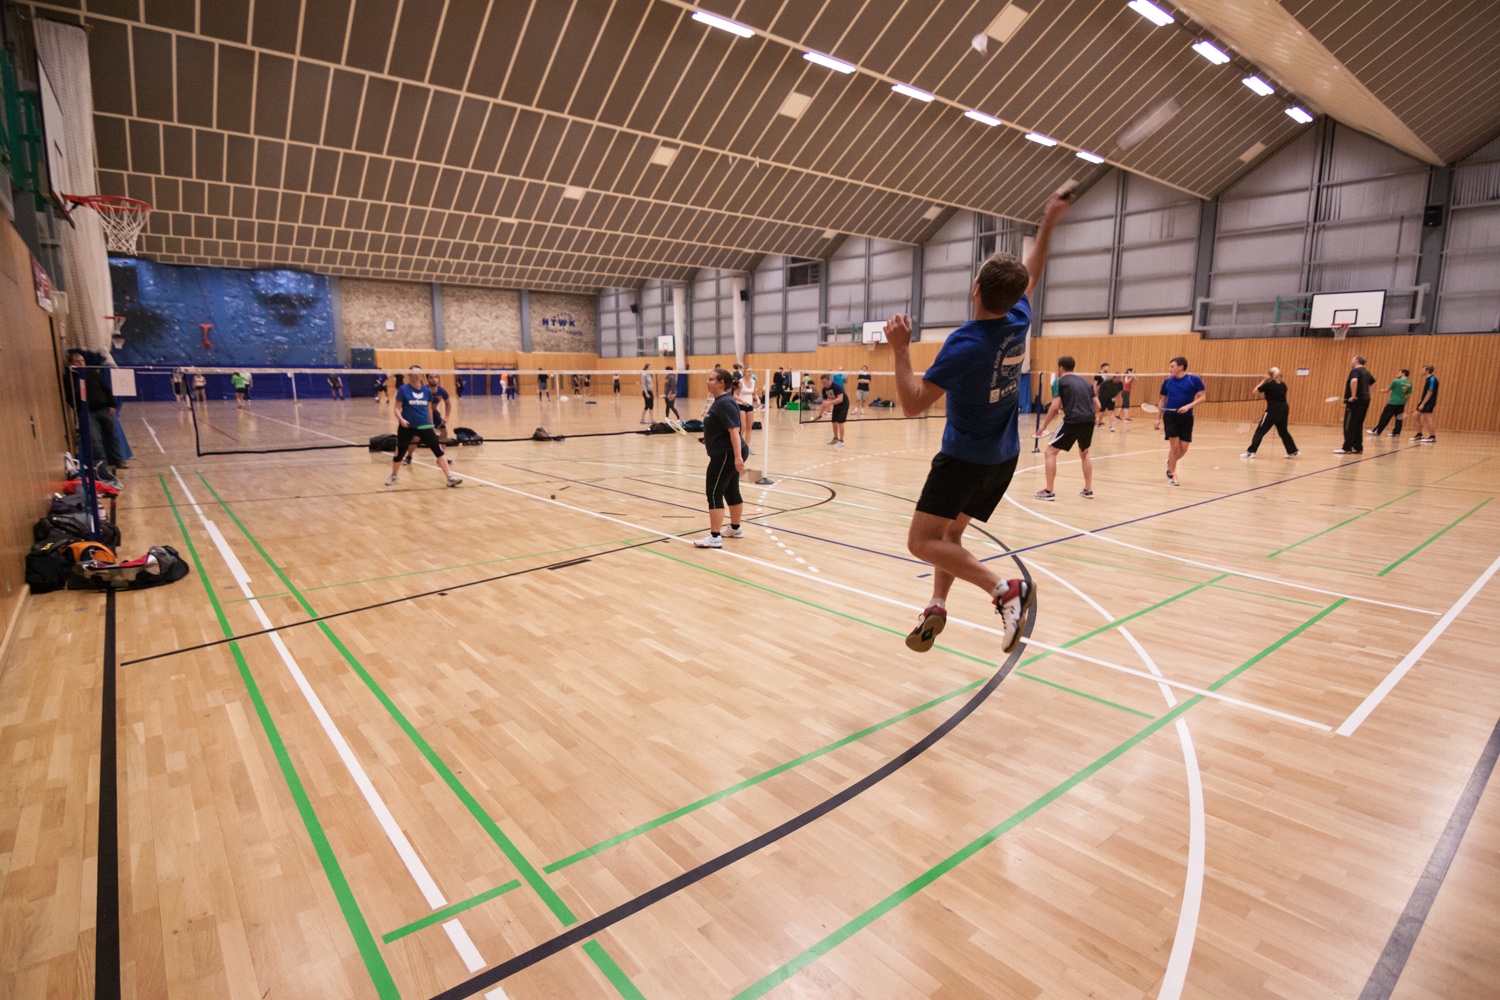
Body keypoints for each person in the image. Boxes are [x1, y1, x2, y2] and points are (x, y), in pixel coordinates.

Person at [887, 189, 1073, 656]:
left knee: (921, 541)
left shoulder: (966, 344)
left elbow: (912, 404)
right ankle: (937, 604)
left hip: (963, 458)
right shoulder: (1018, 318)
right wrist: (1049, 218)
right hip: (1002, 457)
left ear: (974, 289)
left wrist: (900, 349)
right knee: (951, 536)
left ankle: (1002, 588)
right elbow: (1036, 268)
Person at [693, 368, 746, 548]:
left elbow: (734, 431)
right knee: (731, 490)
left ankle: (715, 537)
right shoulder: (720, 402)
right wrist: (709, 440)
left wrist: (737, 457)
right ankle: (735, 529)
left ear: (721, 382)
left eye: (711, 379)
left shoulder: (725, 403)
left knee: (714, 491)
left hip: (726, 454)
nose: (707, 382)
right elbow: (723, 428)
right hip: (724, 451)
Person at [1033, 355, 1098, 499]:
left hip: (1073, 419)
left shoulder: (1059, 381)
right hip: (1089, 419)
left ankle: (1049, 491)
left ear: (1060, 368)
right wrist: (1089, 418)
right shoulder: (1087, 382)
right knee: (1084, 452)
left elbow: (1055, 406)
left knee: (1050, 452)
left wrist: (1043, 426)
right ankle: (1088, 489)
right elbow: (1098, 405)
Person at [385, 366, 461, 488]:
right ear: (409, 375)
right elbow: (396, 409)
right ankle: (394, 475)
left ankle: (449, 477)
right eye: (414, 374)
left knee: (438, 450)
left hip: (425, 426)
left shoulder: (427, 391)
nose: (417, 376)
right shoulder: (403, 390)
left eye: (419, 374)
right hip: (407, 426)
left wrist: (431, 424)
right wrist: (401, 419)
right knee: (399, 452)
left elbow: (429, 409)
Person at [64, 350, 126, 469]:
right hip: (88, 413)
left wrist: (112, 405)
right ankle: (102, 465)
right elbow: (69, 397)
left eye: (82, 361)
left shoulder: (93, 374)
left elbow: (107, 390)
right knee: (95, 440)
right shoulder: (69, 379)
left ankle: (119, 460)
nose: (81, 363)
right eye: (77, 361)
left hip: (104, 409)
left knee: (113, 436)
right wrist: (80, 409)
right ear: (71, 363)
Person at [1155, 356, 1206, 486]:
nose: (1169, 369)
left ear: (1181, 367)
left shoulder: (1193, 379)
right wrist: (1158, 419)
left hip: (1187, 417)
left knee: (1184, 448)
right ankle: (1172, 474)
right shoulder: (1167, 382)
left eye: (1172, 366)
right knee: (1175, 446)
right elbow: (1162, 400)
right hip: (1170, 416)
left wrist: (1188, 406)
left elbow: (1202, 398)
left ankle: (1171, 461)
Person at [1242, 367, 1299, 458]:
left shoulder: (1269, 385)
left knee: (1260, 431)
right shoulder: (1283, 385)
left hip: (1273, 411)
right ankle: (1292, 451)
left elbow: (1255, 391)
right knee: (1283, 431)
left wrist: (1263, 381)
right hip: (1284, 409)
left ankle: (1251, 452)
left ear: (1270, 375)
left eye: (1267, 374)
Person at [405, 373, 452, 465]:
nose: (434, 379)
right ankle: (409, 456)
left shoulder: (442, 391)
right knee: (416, 438)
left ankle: (441, 457)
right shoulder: (423, 390)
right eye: (431, 377)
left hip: (434, 413)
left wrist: (446, 416)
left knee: (444, 432)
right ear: (427, 379)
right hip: (422, 415)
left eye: (436, 377)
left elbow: (448, 403)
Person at [1334, 354, 1375, 455]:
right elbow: (1373, 383)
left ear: (1356, 361)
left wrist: (1353, 396)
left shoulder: (1355, 371)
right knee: (1358, 424)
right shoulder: (1367, 372)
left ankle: (1347, 447)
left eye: (1352, 360)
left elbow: (1354, 381)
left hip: (1355, 402)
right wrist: (1368, 394)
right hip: (1365, 400)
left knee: (1349, 424)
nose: (1351, 362)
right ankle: (1357, 447)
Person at [1370, 369, 1411, 438]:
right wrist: (1404, 402)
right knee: (1399, 418)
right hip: (1402, 403)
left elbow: (1387, 390)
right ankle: (1396, 432)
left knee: (1385, 417)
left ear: (1403, 373)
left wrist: (1382, 390)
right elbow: (1409, 396)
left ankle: (1377, 431)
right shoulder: (1409, 383)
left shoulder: (1396, 381)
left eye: (1399, 373)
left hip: (1393, 402)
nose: (1398, 374)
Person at [818, 374, 849, 447]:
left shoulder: (836, 387)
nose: (823, 384)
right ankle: (835, 439)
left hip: (844, 404)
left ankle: (841, 441)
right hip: (836, 405)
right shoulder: (824, 390)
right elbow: (824, 403)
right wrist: (819, 414)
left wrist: (829, 402)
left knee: (840, 422)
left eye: (824, 382)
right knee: (834, 421)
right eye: (822, 382)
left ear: (829, 380)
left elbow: (840, 399)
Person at [734, 363, 757, 453]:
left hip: (749, 406)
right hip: (741, 405)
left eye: (751, 371)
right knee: (742, 427)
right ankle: (738, 445)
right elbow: (734, 394)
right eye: (749, 371)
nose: (750, 373)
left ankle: (747, 448)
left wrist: (758, 400)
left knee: (749, 427)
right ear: (744, 372)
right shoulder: (740, 382)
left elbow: (754, 394)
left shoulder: (753, 381)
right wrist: (741, 400)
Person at [1413, 365, 1438, 443]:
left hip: (1428, 402)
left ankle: (1432, 436)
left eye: (1422, 369)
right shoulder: (1428, 379)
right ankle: (1419, 434)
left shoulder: (1432, 379)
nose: (1421, 371)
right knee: (1415, 416)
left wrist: (1423, 403)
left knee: (1428, 418)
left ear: (1427, 371)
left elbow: (1430, 392)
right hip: (1425, 401)